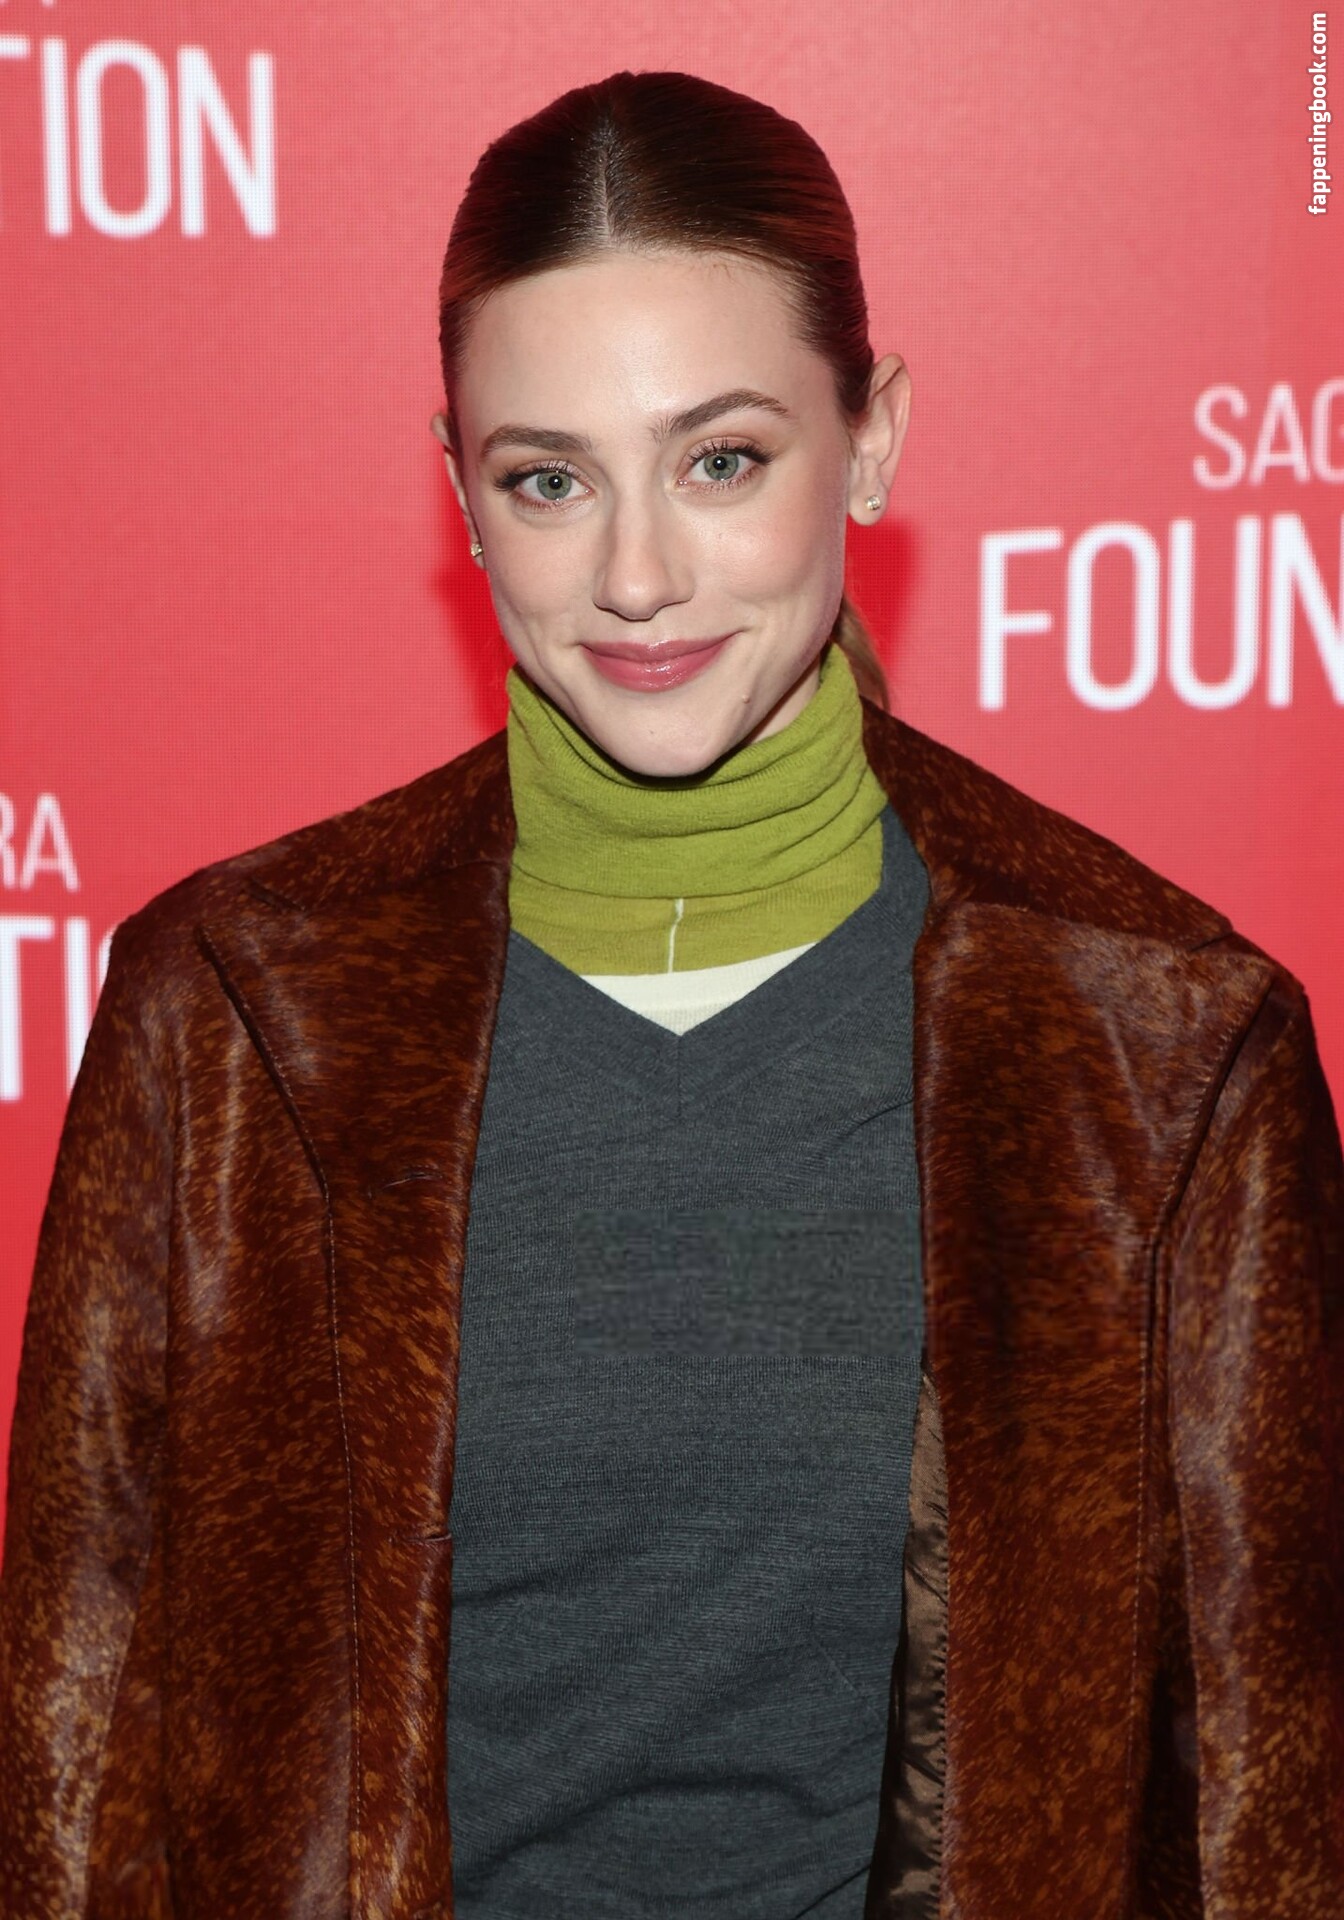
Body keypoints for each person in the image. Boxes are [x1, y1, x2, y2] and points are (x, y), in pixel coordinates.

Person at [0, 66, 1340, 1920]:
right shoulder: (222, 1011)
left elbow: (1270, 1799)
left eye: (723, 460)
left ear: (869, 442)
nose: (635, 577)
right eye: (548, 479)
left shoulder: (1168, 1040)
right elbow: (75, 1763)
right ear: (461, 497)